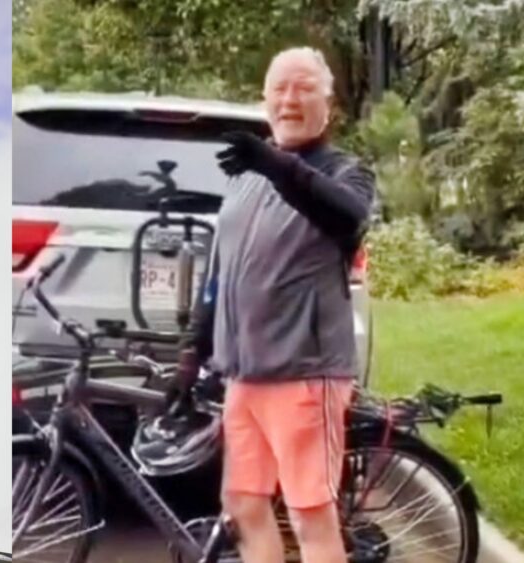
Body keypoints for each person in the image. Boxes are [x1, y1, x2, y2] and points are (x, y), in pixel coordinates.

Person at [170, 47, 375, 562]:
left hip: (306, 375)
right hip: (245, 376)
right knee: (242, 505)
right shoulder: (244, 177)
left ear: (328, 105)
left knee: (310, 514)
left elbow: (348, 216)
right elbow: (221, 274)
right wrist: (191, 353)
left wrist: (277, 164)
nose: (289, 98)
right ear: (264, 99)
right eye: (279, 88)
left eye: (304, 87)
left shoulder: (345, 171)